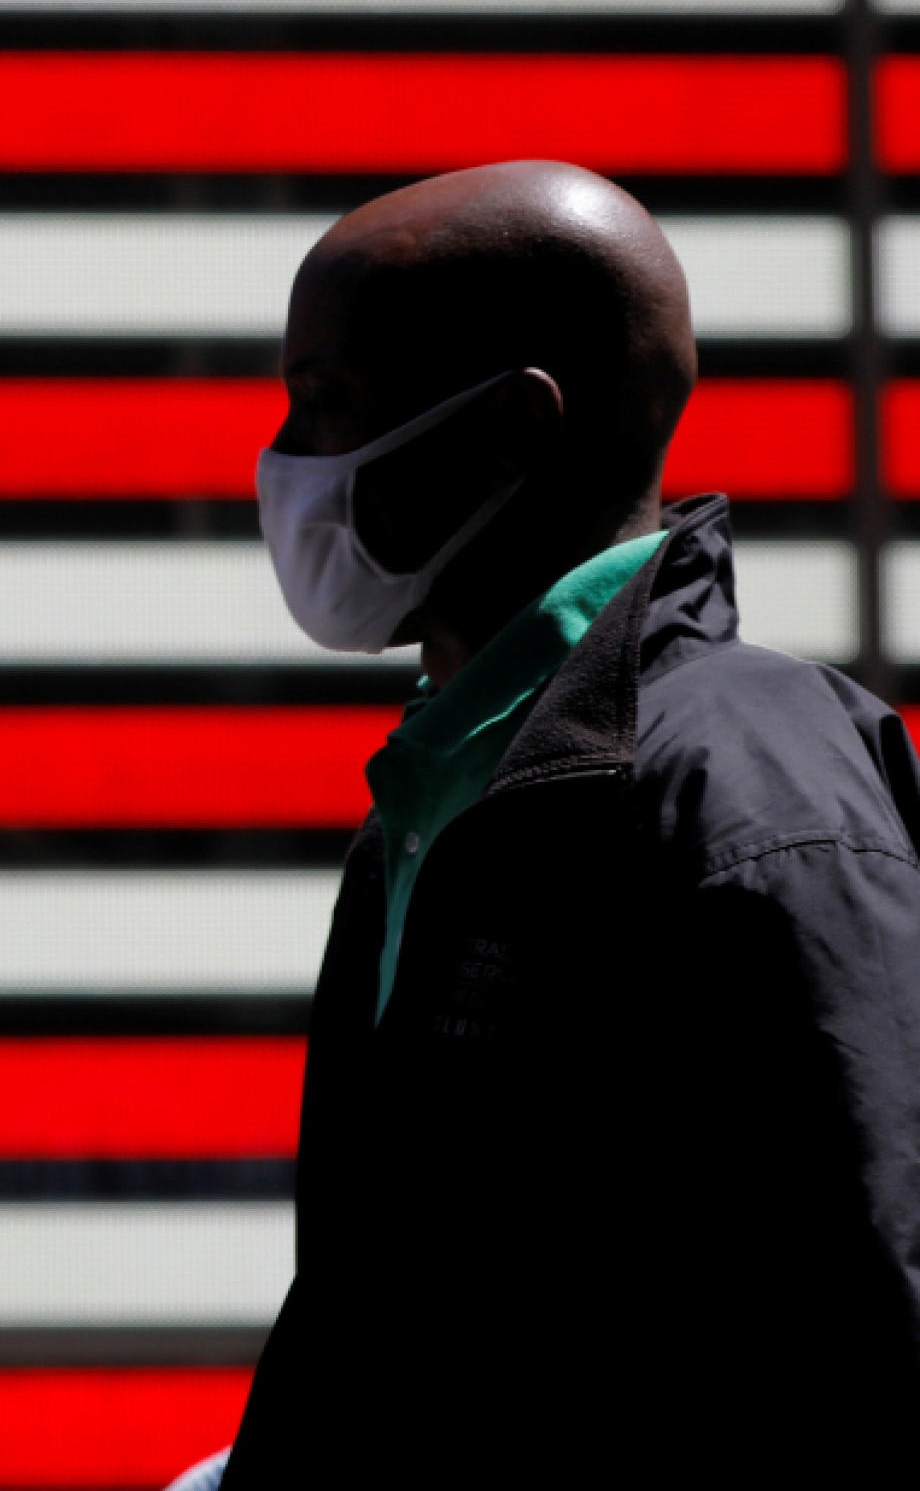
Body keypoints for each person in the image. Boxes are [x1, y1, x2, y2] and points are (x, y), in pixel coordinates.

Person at [205, 162, 920, 1485]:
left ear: (506, 434)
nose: (287, 466)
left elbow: (862, 1331)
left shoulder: (751, 792)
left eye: (326, 406)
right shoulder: (444, 796)